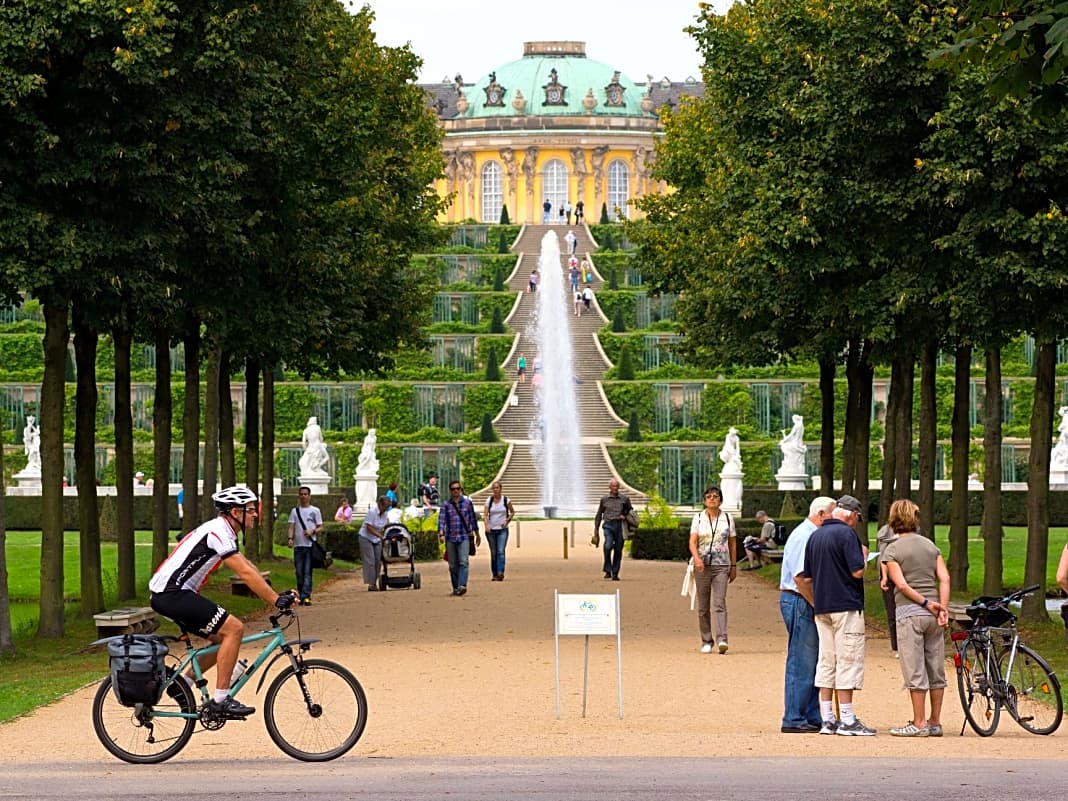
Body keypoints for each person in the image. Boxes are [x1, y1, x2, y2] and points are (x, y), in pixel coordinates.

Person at [149, 486, 290, 719]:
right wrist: (275, 601)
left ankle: (181, 683)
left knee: (221, 639)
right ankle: (221, 701)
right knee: (234, 629)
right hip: (171, 593)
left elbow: (249, 567)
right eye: (251, 510)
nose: (256, 514)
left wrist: (277, 593)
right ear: (236, 512)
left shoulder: (224, 531)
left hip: (174, 593)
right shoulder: (218, 531)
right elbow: (244, 573)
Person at [796, 494, 874, 736]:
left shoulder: (815, 535)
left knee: (826, 661)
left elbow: (804, 577)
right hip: (846, 606)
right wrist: (863, 557)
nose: (856, 523)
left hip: (823, 607)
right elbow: (858, 572)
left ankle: (827, 718)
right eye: (857, 519)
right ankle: (847, 719)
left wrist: (816, 600)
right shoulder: (846, 534)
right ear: (851, 514)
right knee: (848, 659)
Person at [881, 499, 950, 737]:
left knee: (914, 669)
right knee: (936, 669)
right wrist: (942, 607)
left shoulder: (892, 550)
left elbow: (900, 584)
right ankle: (935, 721)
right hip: (934, 616)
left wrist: (924, 603)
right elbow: (945, 578)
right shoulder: (930, 546)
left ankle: (919, 723)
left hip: (910, 614)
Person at [779, 496, 837, 733]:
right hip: (799, 600)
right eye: (833, 515)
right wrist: (817, 604)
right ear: (822, 514)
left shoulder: (809, 533)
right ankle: (794, 716)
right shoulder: (806, 535)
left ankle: (811, 714)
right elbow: (801, 578)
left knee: (813, 660)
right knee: (802, 660)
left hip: (800, 599)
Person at [688, 486, 737, 654]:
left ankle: (722, 639)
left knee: (719, 603)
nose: (712, 499)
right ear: (704, 501)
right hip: (702, 566)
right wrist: (697, 558)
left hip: (721, 565)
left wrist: (733, 565)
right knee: (703, 606)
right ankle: (706, 640)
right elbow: (692, 542)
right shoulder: (698, 518)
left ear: (720, 500)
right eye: (708, 496)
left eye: (715, 496)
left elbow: (732, 543)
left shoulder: (728, 518)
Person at [438, 480, 479, 596]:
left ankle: (462, 585)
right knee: (452, 565)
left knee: (463, 562)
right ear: (450, 491)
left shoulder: (467, 503)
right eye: (453, 489)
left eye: (458, 488)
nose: (456, 491)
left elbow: (472, 519)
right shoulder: (446, 504)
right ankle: (456, 587)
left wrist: (477, 534)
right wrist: (441, 533)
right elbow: (441, 520)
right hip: (450, 537)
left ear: (461, 490)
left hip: (464, 536)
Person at [287, 486, 324, 606]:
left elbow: (321, 527)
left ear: (309, 496)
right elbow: (291, 526)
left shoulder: (315, 511)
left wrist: (312, 531)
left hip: (309, 545)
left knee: (307, 571)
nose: (303, 496)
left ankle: (306, 596)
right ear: (299, 496)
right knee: (299, 572)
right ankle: (302, 593)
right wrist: (290, 538)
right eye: (301, 494)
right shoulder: (294, 511)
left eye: (305, 494)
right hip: (298, 545)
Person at [594, 479, 633, 581]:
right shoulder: (604, 499)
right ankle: (607, 569)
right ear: (609, 487)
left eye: (617, 486)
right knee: (608, 545)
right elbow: (599, 514)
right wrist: (596, 529)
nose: (615, 488)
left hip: (620, 526)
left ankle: (615, 573)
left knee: (618, 550)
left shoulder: (624, 499)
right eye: (613, 486)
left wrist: (624, 515)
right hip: (608, 525)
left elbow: (630, 509)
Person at [876, 521, 900, 653]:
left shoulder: (912, 532)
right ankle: (895, 646)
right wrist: (884, 577)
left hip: (904, 573)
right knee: (892, 612)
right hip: (889, 575)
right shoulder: (884, 532)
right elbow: (883, 558)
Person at [483, 481, 515, 581]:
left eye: (497, 488)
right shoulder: (489, 500)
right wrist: (486, 525)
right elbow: (485, 514)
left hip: (502, 529)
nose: (496, 490)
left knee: (500, 551)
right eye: (494, 488)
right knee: (493, 552)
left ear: (501, 489)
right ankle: (495, 573)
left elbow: (512, 512)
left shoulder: (506, 500)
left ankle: (500, 572)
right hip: (491, 530)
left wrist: (507, 520)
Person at [359, 496, 391, 591]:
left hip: (376, 539)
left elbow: (385, 525)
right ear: (380, 505)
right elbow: (368, 527)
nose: (385, 509)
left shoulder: (385, 514)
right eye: (385, 506)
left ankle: (374, 581)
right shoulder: (372, 512)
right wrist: (379, 536)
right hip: (366, 537)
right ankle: (371, 584)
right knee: (370, 561)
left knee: (377, 561)